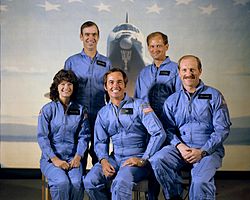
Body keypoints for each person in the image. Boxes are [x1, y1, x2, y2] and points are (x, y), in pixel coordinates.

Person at [149, 55, 232, 200]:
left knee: (199, 183)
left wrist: (203, 151)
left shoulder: (214, 96)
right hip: (181, 149)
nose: (189, 73)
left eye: (193, 69)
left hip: (208, 150)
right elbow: (168, 130)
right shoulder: (172, 100)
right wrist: (179, 146)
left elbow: (222, 129)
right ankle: (175, 196)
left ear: (200, 71)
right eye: (185, 70)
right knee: (158, 159)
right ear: (179, 72)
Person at [83, 68, 166, 200]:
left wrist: (143, 159)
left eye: (119, 82)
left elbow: (159, 133)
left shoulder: (140, 106)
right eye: (111, 82)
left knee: (120, 182)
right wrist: (104, 161)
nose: (115, 86)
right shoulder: (103, 113)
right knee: (90, 181)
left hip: (138, 159)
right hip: (115, 159)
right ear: (105, 86)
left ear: (125, 85)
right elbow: (100, 142)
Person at [64, 21, 112, 169]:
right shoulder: (72, 62)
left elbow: (110, 91)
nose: (90, 38)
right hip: (77, 116)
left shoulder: (107, 63)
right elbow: (64, 90)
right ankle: (78, 189)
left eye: (94, 34)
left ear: (98, 37)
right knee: (78, 155)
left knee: (100, 154)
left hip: (100, 115)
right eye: (87, 34)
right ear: (81, 36)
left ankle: (98, 189)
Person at [37, 69, 90, 200]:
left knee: (77, 183)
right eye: (62, 84)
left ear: (74, 87)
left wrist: (78, 156)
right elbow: (42, 137)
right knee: (62, 183)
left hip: (73, 159)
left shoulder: (80, 110)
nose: (66, 87)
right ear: (57, 87)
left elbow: (84, 136)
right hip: (51, 159)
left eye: (69, 84)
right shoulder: (47, 110)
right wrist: (55, 159)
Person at [134, 31, 181, 124]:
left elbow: (181, 99)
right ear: (148, 48)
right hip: (147, 123)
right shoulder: (144, 73)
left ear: (166, 46)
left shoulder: (176, 70)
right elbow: (137, 99)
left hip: (169, 122)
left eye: (158, 46)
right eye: (152, 46)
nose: (155, 49)